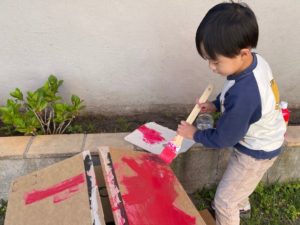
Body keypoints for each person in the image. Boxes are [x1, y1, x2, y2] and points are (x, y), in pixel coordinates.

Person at [177, 1, 286, 225]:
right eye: (208, 59)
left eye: (215, 61)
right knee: (241, 183)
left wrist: (194, 133)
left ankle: (234, 207)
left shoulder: (245, 94)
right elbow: (231, 95)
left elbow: (224, 138)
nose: (211, 67)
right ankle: (242, 202)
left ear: (243, 53)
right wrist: (216, 105)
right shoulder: (254, 62)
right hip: (265, 137)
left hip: (256, 151)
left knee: (224, 201)